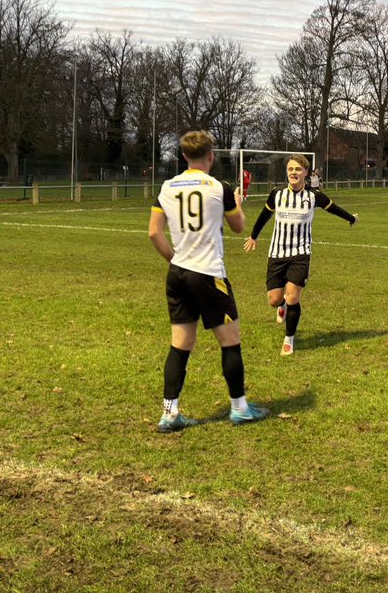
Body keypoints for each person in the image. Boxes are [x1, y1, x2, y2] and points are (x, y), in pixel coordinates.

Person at [148, 130, 269, 431]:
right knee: (230, 341)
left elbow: (154, 232)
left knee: (180, 345)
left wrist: (175, 260)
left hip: (178, 274)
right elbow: (239, 226)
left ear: (184, 156)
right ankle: (239, 408)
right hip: (208, 273)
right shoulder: (219, 187)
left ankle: (170, 412)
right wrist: (237, 202)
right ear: (211, 156)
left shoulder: (167, 187)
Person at [244, 154, 357, 355]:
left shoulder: (314, 196)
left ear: (305, 172)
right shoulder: (277, 194)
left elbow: (334, 208)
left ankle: (289, 339)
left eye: (298, 169)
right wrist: (253, 236)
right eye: (290, 169)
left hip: (301, 253)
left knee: (293, 296)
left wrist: (351, 218)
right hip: (277, 252)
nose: (293, 172)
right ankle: (281, 306)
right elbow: (265, 215)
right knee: (273, 299)